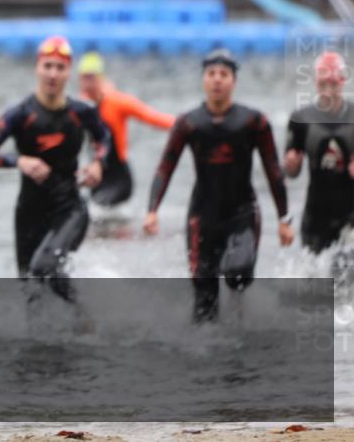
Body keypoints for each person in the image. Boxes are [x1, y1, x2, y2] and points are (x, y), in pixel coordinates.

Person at [144, 48, 294, 322]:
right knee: (204, 303)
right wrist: (152, 210)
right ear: (203, 79)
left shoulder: (253, 121)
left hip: (242, 213)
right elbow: (166, 166)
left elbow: (273, 170)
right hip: (202, 216)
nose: (217, 79)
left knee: (238, 274)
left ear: (233, 81)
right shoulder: (189, 123)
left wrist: (284, 218)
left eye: (223, 74)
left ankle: (240, 318)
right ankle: (210, 343)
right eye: (211, 73)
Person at [0, 36, 109, 302]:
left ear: (69, 72)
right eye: (48, 66)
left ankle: (83, 317)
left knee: (43, 267)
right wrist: (19, 161)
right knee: (30, 289)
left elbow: (103, 137)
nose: (53, 74)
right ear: (37, 68)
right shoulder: (20, 114)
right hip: (29, 211)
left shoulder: (81, 112)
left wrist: (98, 163)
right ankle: (79, 318)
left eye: (60, 68)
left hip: (69, 209)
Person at [76, 52, 175, 207]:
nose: (87, 83)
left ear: (101, 78)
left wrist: (186, 124)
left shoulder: (118, 102)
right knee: (91, 209)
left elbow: (152, 117)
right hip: (97, 177)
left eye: (91, 78)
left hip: (120, 178)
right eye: (84, 78)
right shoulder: (80, 106)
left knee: (98, 207)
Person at [284, 51, 354, 253]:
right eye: (323, 85)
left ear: (342, 82)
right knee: (316, 270)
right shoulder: (301, 118)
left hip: (351, 212)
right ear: (316, 83)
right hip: (316, 215)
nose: (328, 91)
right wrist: (291, 165)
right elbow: (291, 173)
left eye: (333, 84)